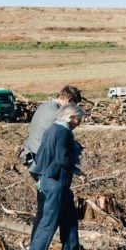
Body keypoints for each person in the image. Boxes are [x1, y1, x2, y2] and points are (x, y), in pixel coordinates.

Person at [20, 86, 83, 241]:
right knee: (46, 210)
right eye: (74, 107)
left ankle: (70, 249)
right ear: (69, 101)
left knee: (67, 205)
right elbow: (60, 145)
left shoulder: (45, 106)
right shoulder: (57, 115)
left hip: (36, 161)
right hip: (44, 167)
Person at [26, 104, 85, 250]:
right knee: (49, 222)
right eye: (78, 120)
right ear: (72, 117)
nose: (78, 124)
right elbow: (62, 159)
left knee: (70, 217)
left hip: (48, 180)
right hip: (56, 182)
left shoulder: (51, 129)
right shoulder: (64, 132)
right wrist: (76, 168)